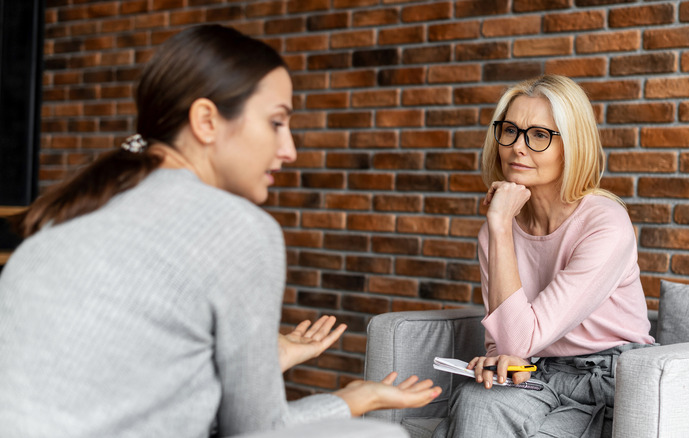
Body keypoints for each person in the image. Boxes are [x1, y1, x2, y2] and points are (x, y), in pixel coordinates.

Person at [0, 24, 440, 437]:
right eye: (276, 122)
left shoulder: (75, 211)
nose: (288, 150)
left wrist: (268, 360)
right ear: (206, 121)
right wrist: (352, 399)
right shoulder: (239, 229)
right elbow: (256, 432)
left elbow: (121, 378)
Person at [432, 75, 654, 438]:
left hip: (609, 382)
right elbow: (506, 341)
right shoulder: (496, 229)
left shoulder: (605, 224)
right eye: (510, 131)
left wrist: (500, 224)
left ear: (572, 146)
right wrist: (501, 359)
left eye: (539, 135)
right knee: (476, 401)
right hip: (539, 372)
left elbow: (521, 338)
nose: (518, 147)